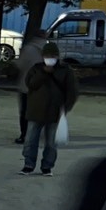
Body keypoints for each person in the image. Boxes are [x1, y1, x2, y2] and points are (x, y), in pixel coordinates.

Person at [21, 42, 79, 176]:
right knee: (30, 140)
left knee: (51, 143)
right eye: (47, 56)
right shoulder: (36, 69)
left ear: (57, 56)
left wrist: (65, 108)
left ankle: (47, 166)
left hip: (55, 112)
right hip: (35, 111)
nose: (50, 58)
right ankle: (28, 164)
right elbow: (30, 84)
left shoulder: (65, 71)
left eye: (53, 56)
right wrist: (43, 73)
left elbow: (72, 91)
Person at [13, 32, 44, 145]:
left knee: (25, 112)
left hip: (27, 85)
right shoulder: (50, 50)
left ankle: (24, 135)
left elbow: (20, 65)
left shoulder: (28, 49)